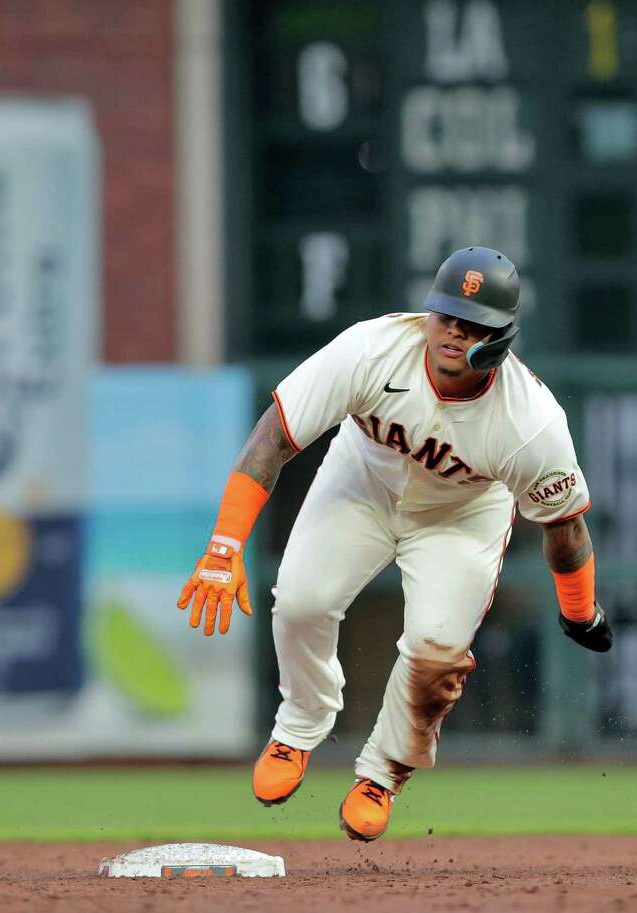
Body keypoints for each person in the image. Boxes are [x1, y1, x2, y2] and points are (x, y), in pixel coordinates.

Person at [177, 247, 612, 841]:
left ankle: (383, 772)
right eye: (446, 314)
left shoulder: (530, 422)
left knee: (436, 654)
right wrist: (225, 544)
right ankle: (301, 723)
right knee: (301, 601)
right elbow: (272, 437)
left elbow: (565, 527)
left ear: (503, 336)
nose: (454, 330)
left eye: (473, 322)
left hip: (461, 515)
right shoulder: (370, 348)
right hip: (363, 481)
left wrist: (579, 609)